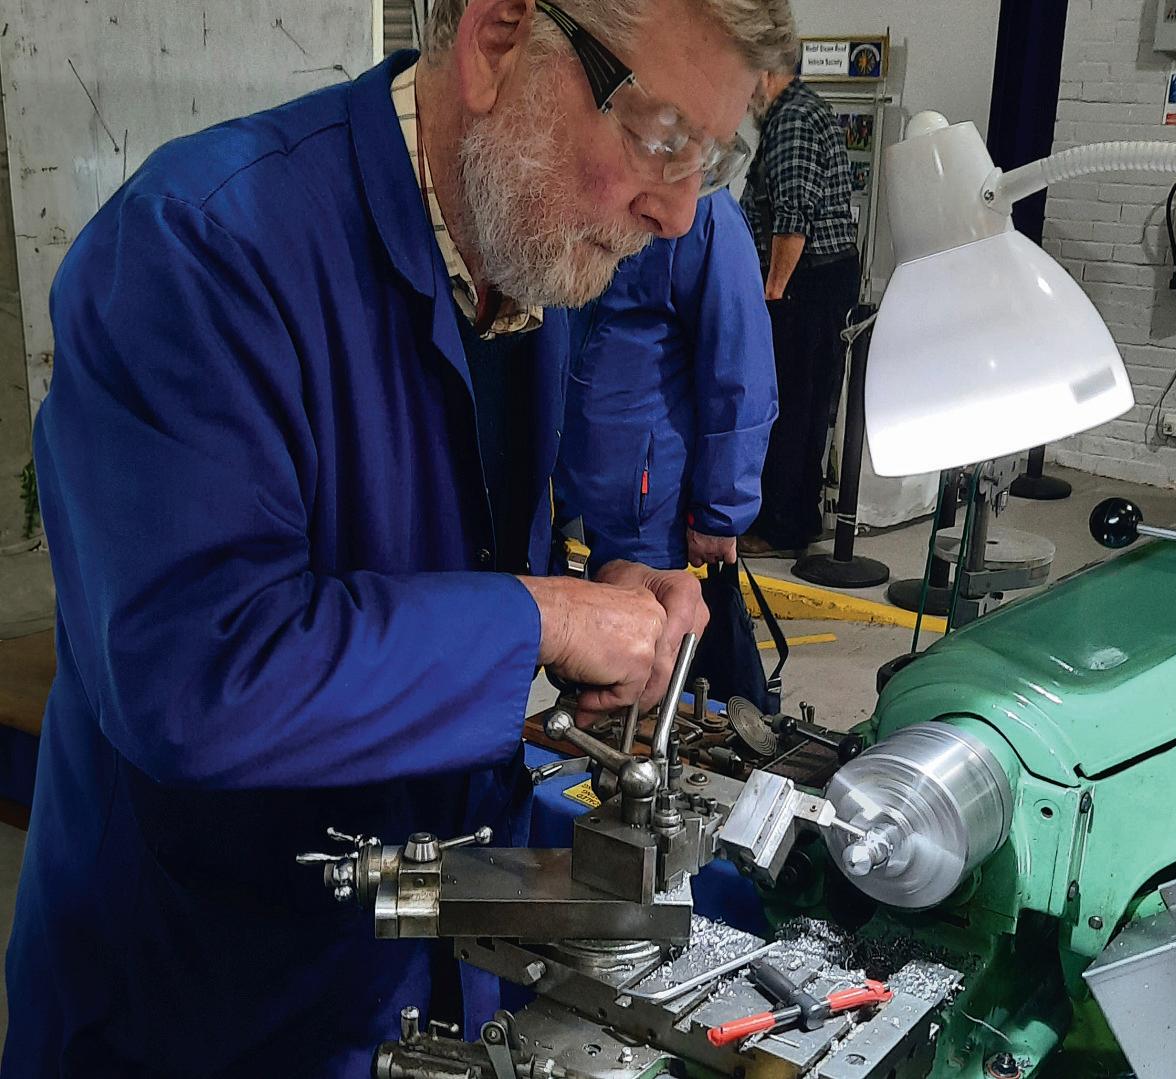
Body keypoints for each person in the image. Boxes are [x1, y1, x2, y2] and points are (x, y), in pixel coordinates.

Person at [1, 0, 796, 1074]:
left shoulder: (523, 250)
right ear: (499, 42)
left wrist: (599, 591)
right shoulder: (197, 247)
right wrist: (539, 617)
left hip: (420, 932)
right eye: (661, 138)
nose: (677, 211)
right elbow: (196, 673)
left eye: (712, 157)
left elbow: (435, 541)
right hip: (203, 994)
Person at [555, 190, 777, 572]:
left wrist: (720, 512)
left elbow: (739, 367)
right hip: (558, 493)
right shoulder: (583, 186)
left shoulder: (702, 209)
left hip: (642, 516)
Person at [739, 54, 861, 558]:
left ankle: (780, 528)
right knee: (806, 407)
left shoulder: (791, 117)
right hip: (819, 279)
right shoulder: (805, 109)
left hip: (805, 283)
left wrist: (772, 293)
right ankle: (797, 520)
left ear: (766, 72)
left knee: (787, 407)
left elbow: (793, 216)